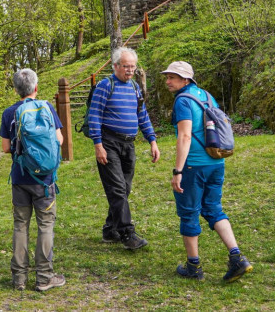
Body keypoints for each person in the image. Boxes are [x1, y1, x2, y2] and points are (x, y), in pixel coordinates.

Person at [164, 61, 253, 282]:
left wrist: (178, 170)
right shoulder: (206, 95)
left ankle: (193, 267)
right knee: (213, 209)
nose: (167, 81)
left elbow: (184, 136)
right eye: (167, 77)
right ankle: (237, 257)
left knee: (189, 212)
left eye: (172, 77)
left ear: (185, 80)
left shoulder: (183, 101)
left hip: (194, 166)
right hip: (216, 162)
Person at [86, 46, 160, 250]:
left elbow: (142, 115)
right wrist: (98, 145)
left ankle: (110, 230)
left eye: (133, 67)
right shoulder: (104, 85)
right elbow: (94, 116)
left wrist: (152, 140)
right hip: (109, 143)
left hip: (129, 144)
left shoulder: (135, 87)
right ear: (115, 66)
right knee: (118, 188)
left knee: (124, 189)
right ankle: (127, 233)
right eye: (126, 66)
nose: (130, 70)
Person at [0, 69, 66, 292]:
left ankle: (19, 278)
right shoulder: (46, 107)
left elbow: (6, 147)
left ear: (17, 89)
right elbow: (59, 139)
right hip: (44, 180)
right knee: (45, 225)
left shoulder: (9, 113)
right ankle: (45, 277)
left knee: (20, 225)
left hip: (20, 178)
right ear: (36, 87)